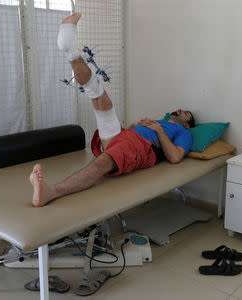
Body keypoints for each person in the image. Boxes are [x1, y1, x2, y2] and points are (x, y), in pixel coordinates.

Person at [29, 13, 195, 207]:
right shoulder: (162, 121)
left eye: (186, 114)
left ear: (188, 124)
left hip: (141, 148)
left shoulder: (184, 132)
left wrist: (158, 130)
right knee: (99, 97)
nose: (181, 110)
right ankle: (71, 53)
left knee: (101, 164)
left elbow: (175, 157)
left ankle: (51, 191)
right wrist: (135, 126)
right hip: (127, 136)